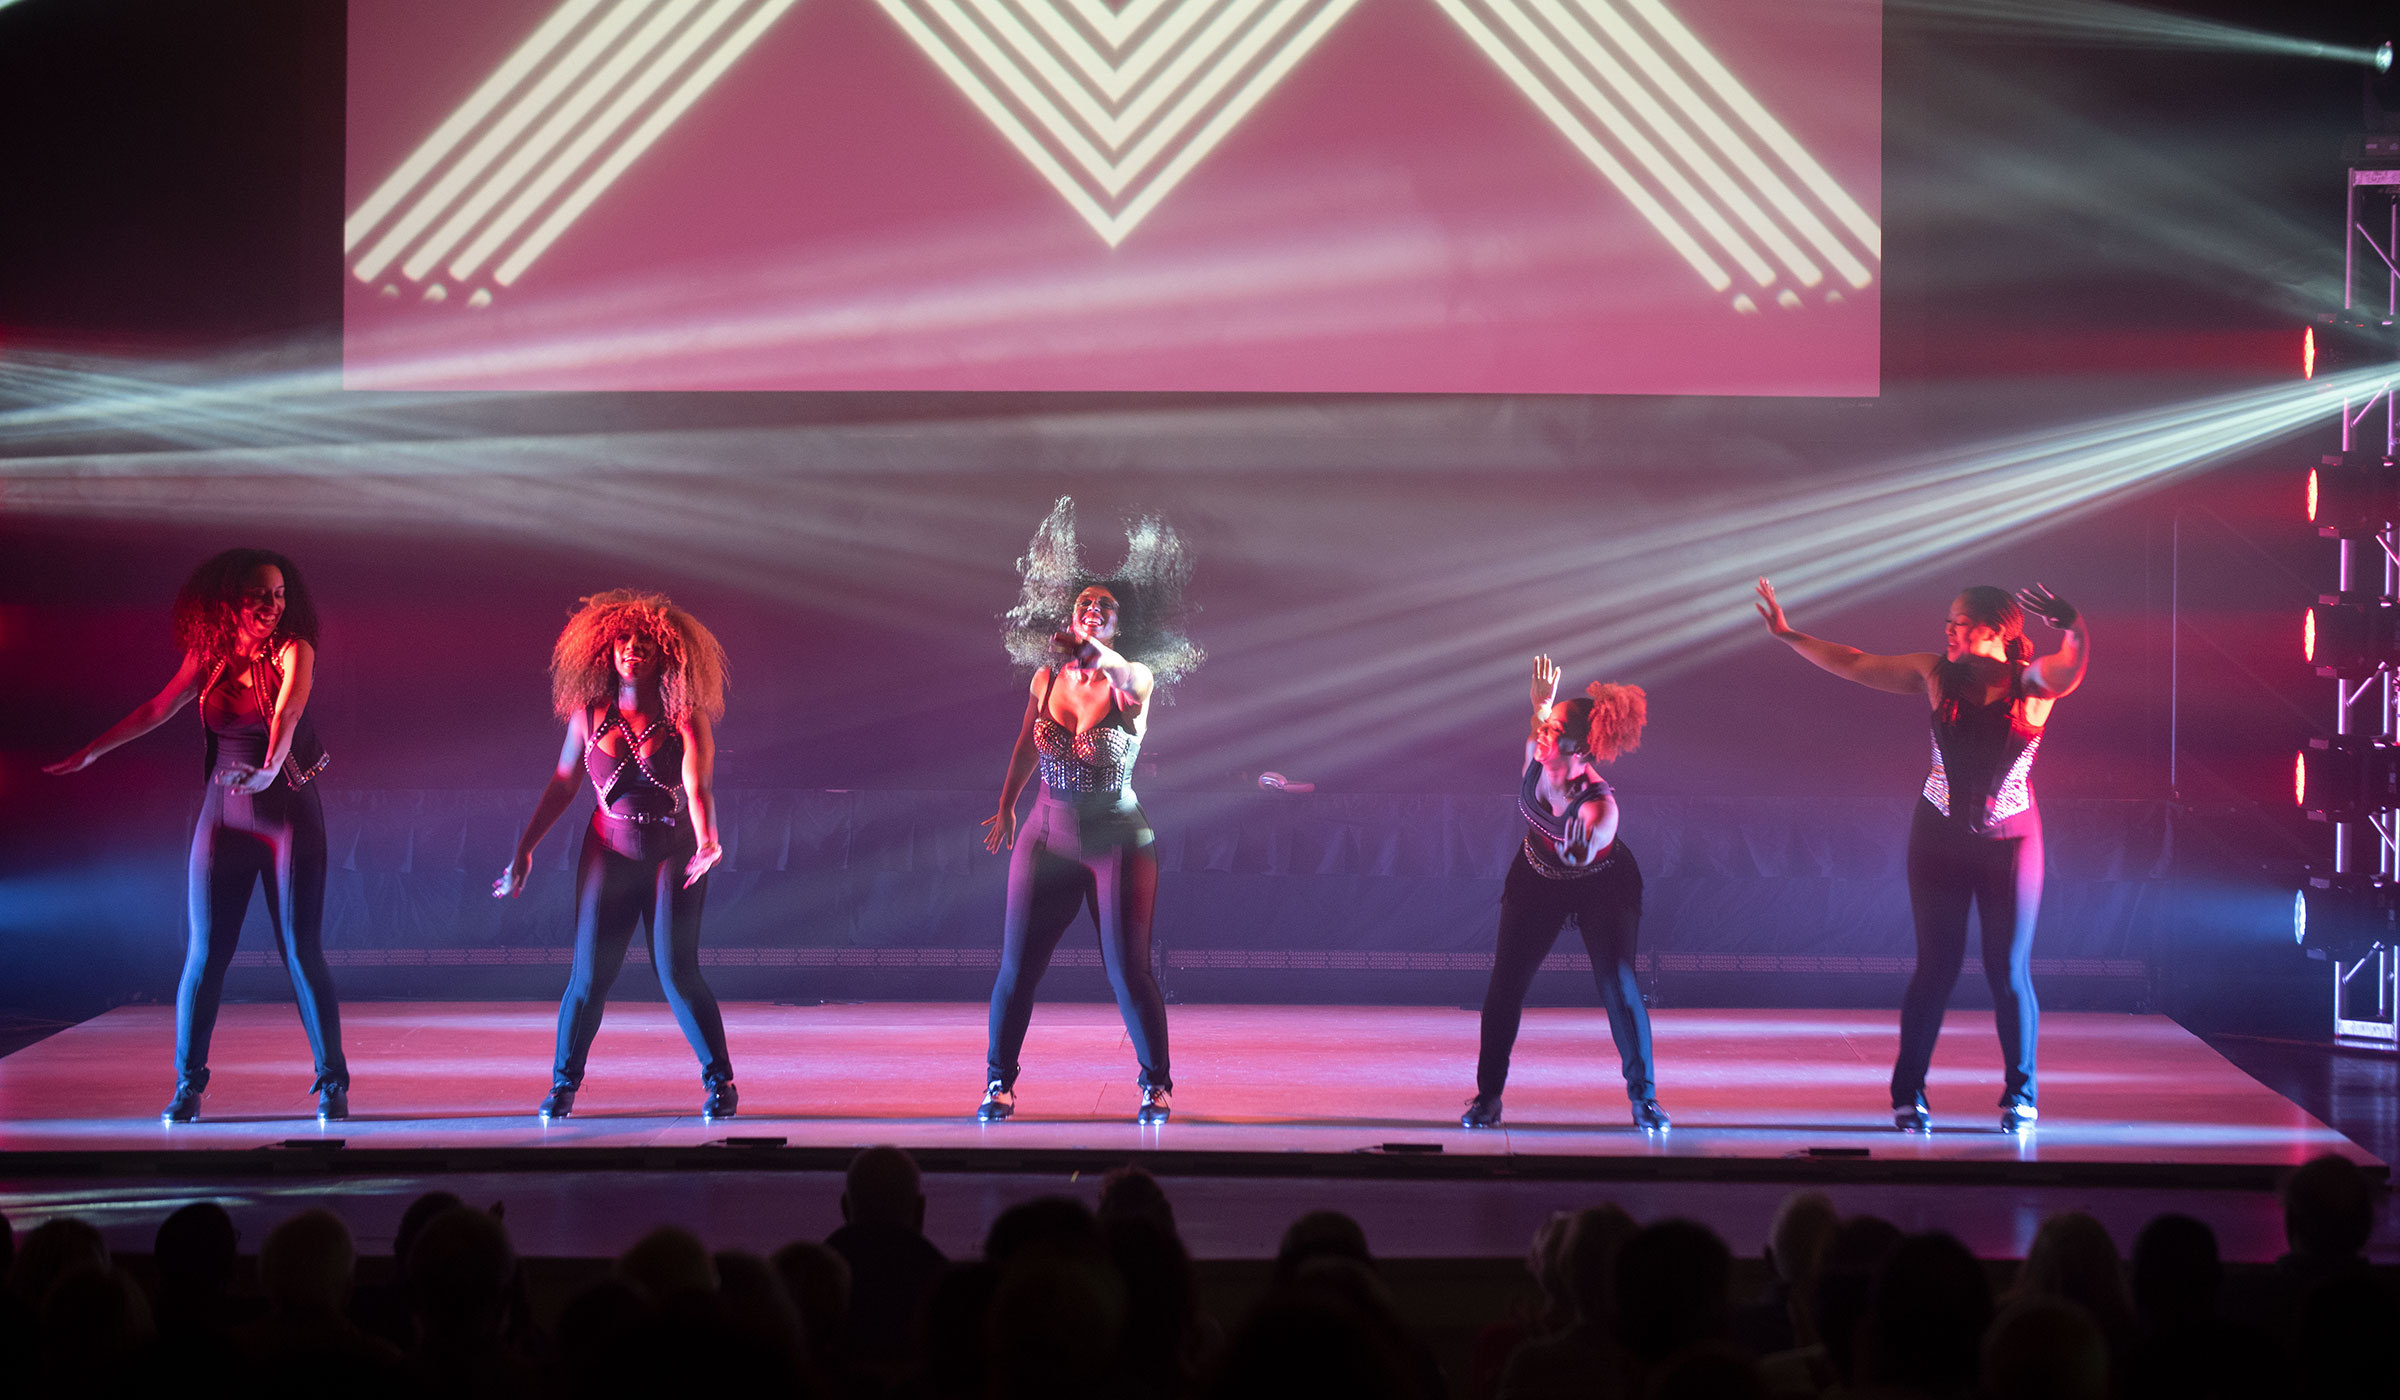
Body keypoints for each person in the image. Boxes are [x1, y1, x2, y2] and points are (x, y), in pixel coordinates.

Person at [1754, 578, 2087, 1133]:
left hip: (2012, 839)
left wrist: (2074, 625)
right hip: (1938, 836)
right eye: (1948, 620)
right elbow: (1857, 663)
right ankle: (1909, 1096)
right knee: (1936, 967)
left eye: (1959, 621)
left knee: (2008, 969)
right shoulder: (1935, 674)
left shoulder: (2030, 682)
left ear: (1995, 631)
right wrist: (1789, 635)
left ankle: (2021, 1096)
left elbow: (2071, 668)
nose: (1948, 629)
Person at [45, 548, 347, 1123]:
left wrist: (264, 771)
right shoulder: (209, 655)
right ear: (231, 600)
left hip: (286, 813)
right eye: (260, 594)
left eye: (280, 594)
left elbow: (285, 716)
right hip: (224, 815)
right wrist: (91, 751)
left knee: (301, 953)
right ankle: (188, 1085)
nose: (271, 605)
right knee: (205, 955)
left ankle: (332, 1081)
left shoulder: (293, 650)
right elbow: (159, 706)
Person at [979, 498, 1202, 1125]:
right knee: (1015, 969)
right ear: (1071, 615)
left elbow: (1121, 672)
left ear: (1116, 624)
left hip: (1117, 839)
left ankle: (1155, 1085)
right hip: (1047, 836)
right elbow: (1027, 742)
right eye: (1085, 603)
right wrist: (1006, 806)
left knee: (1129, 972)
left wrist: (1093, 655)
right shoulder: (1045, 679)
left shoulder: (1136, 677)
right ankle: (999, 1084)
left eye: (1105, 606)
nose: (1093, 608)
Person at [494, 590, 736, 1120]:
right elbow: (562, 783)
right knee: (589, 977)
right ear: (605, 650)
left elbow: (699, 788)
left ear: (666, 651)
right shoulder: (588, 714)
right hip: (608, 849)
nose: (632, 648)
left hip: (673, 853)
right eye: (623, 639)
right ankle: (563, 1085)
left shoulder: (685, 716)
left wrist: (708, 840)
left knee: (677, 971)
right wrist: (524, 849)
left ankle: (720, 1083)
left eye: (644, 640)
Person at [1462, 656, 1668, 1132]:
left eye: (1552, 730)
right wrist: (1542, 706)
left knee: (1617, 983)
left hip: (1602, 886)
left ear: (1578, 748)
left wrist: (1576, 855)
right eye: (1543, 727)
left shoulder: (1599, 806)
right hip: (1536, 876)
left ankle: (1645, 1100)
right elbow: (1539, 725)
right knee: (1505, 986)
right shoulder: (1538, 756)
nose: (1540, 734)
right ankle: (1488, 1099)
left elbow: (1582, 856)